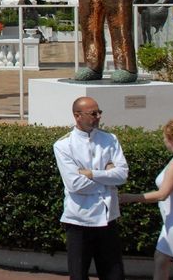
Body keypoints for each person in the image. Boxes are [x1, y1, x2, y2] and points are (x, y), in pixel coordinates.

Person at [119, 119, 173, 280]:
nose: (163, 139)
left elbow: (162, 194)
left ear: (172, 139)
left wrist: (128, 197)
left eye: (165, 136)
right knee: (161, 258)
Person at [54, 96, 129, 280]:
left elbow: (122, 175)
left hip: (107, 217)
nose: (97, 117)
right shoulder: (64, 145)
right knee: (79, 275)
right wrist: (107, 174)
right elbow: (75, 184)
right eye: (92, 113)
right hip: (80, 220)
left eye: (99, 112)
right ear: (77, 116)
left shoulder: (110, 139)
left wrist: (92, 174)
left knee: (114, 275)